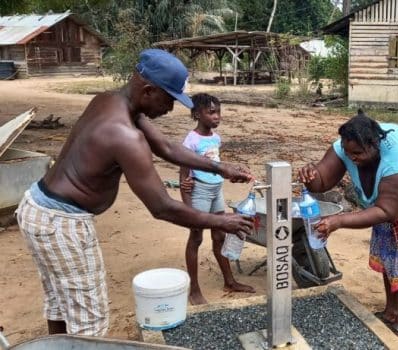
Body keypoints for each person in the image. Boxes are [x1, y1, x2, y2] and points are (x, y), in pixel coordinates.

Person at [14, 49, 255, 336]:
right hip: (62, 223)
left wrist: (219, 167)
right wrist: (221, 220)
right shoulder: (125, 135)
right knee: (90, 322)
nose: (170, 108)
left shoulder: (110, 101)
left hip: (39, 206)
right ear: (149, 90)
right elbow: (162, 207)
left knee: (60, 303)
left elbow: (167, 148)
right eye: (169, 99)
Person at [298, 110, 398, 336]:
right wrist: (311, 175)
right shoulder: (347, 148)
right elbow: (322, 181)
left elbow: (388, 211)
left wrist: (338, 221)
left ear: (375, 145)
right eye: (348, 152)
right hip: (389, 201)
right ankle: (390, 310)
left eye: (357, 153)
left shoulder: (397, 159)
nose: (351, 158)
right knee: (387, 251)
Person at [179, 93, 255, 305]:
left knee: (219, 236)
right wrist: (187, 206)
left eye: (218, 112)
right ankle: (194, 289)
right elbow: (183, 172)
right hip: (200, 192)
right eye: (211, 112)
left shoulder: (215, 138)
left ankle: (229, 281)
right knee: (196, 238)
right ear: (196, 114)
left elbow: (216, 165)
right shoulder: (191, 140)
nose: (217, 116)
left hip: (216, 191)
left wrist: (236, 171)